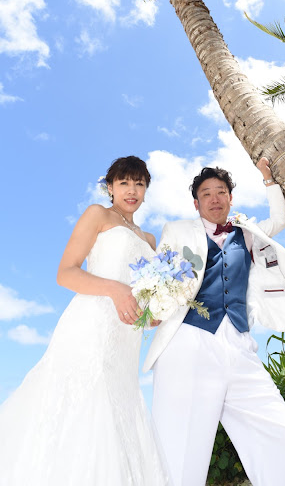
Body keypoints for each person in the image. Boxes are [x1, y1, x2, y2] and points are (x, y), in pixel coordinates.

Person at [0, 156, 169, 486]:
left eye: (139, 183)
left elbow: (146, 296)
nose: (132, 190)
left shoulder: (150, 240)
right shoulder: (98, 215)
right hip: (91, 324)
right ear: (110, 187)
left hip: (126, 338)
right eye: (123, 183)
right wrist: (114, 290)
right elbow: (65, 273)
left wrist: (153, 315)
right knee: (86, 402)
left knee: (119, 409)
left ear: (147, 189)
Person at [145, 157, 285, 486]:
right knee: (179, 455)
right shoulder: (177, 231)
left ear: (230, 198)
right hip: (188, 342)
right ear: (196, 203)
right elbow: (159, 277)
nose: (214, 198)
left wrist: (268, 178)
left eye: (221, 191)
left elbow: (280, 219)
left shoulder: (247, 234)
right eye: (206, 193)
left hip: (239, 345)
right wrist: (153, 308)